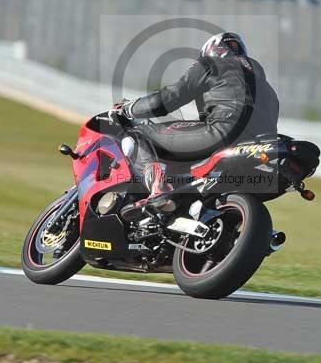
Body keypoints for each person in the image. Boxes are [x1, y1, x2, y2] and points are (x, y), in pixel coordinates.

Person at [111, 32, 280, 221]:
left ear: (210, 50)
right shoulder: (268, 89)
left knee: (138, 135)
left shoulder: (212, 64)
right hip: (257, 147)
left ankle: (158, 188)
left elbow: (168, 100)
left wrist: (129, 108)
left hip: (222, 134)